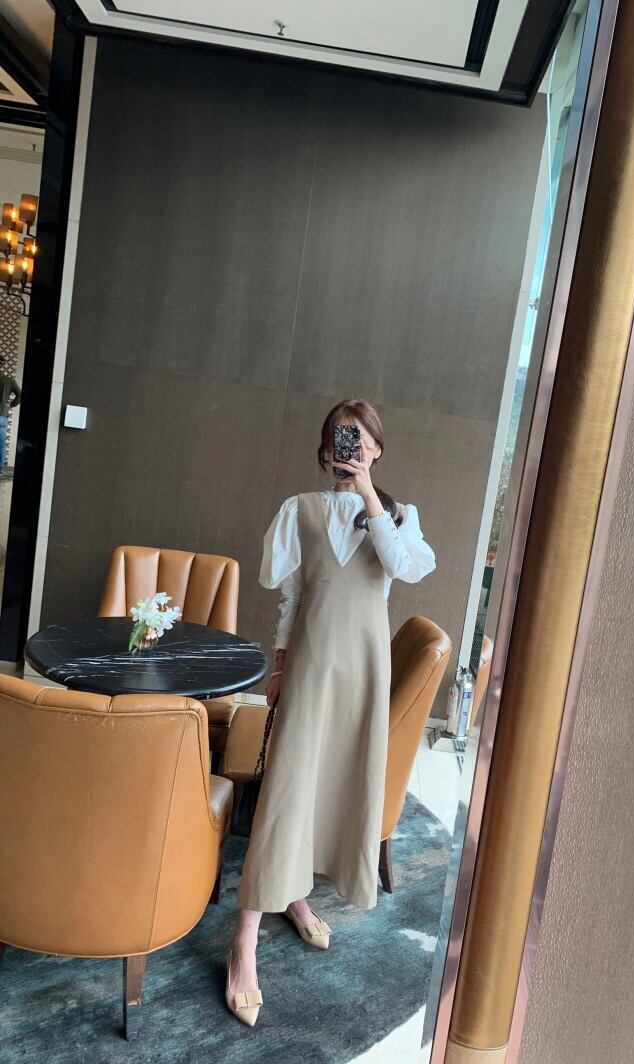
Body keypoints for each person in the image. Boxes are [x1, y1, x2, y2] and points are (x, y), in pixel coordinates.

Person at [225, 398, 436, 1027]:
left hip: (363, 676)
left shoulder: (399, 517)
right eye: (343, 440)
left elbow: (406, 568)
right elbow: (285, 591)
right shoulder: (300, 510)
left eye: (363, 440)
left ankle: (296, 895)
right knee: (287, 792)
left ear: (377, 449)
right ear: (326, 451)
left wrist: (370, 497)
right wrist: (280, 665)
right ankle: (243, 944)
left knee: (335, 786)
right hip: (313, 667)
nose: (353, 449)